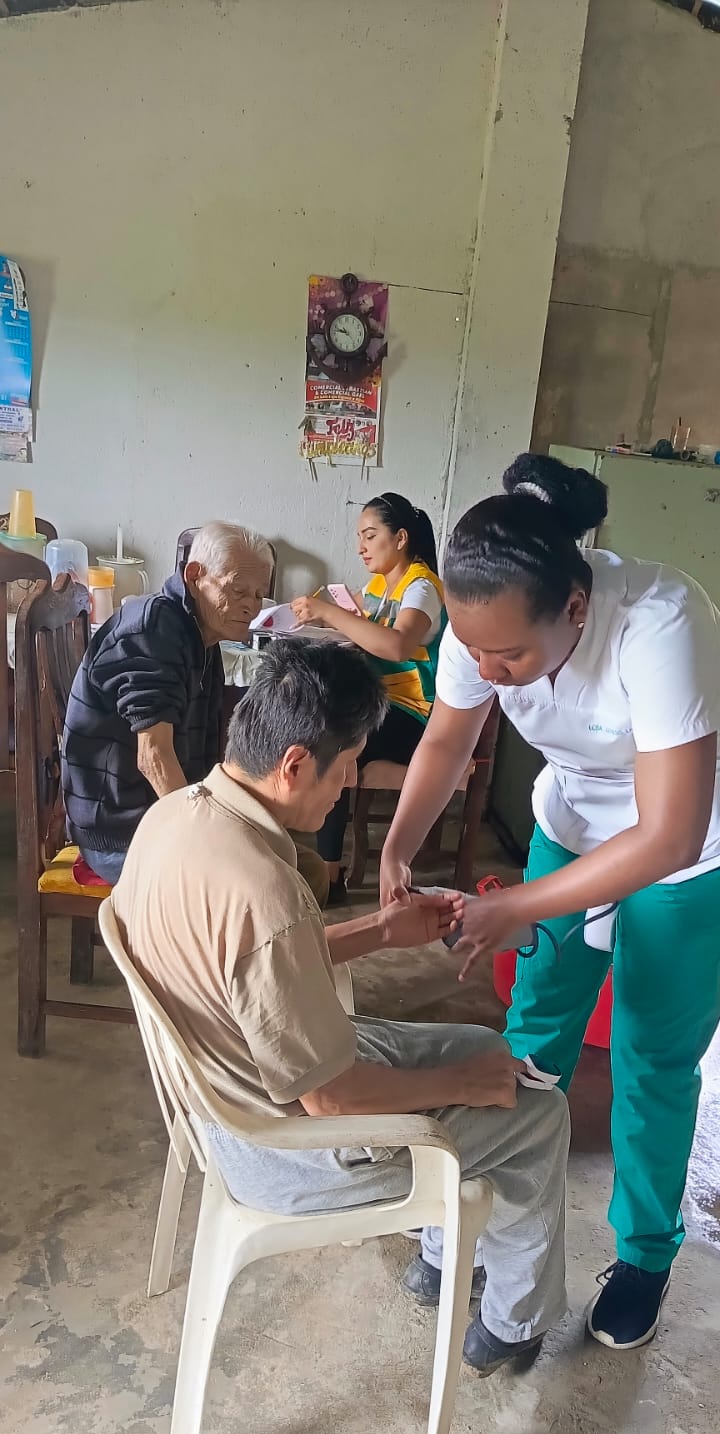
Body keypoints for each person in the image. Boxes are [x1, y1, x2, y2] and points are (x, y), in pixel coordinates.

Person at [112, 638, 570, 1376]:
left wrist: (381, 931)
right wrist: (464, 1086)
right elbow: (331, 1099)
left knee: (480, 1047)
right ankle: (512, 1325)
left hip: (230, 1088)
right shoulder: (265, 890)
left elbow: (252, 962)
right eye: (349, 763)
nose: (351, 783)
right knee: (536, 1110)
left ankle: (441, 1258)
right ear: (295, 764)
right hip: (280, 1148)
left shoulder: (176, 817)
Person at [380, 452, 720, 1352]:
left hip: (689, 855)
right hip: (572, 823)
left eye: (511, 657)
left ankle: (643, 1257)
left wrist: (524, 903)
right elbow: (447, 740)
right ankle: (486, 1212)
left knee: (652, 1057)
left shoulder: (661, 621)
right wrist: (397, 845)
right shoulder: (484, 621)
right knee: (534, 1032)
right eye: (475, 652)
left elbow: (670, 833)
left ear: (575, 608)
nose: (489, 670)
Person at [62, 520, 328, 905]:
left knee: (303, 865)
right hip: (122, 834)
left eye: (259, 595)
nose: (251, 606)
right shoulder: (154, 629)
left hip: (159, 816)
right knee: (277, 883)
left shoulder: (202, 635)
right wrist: (202, 840)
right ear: (195, 575)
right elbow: (153, 756)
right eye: (238, 590)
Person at [290, 493, 446, 900]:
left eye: (370, 535)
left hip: (413, 715)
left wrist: (329, 613)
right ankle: (316, 860)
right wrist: (316, 616)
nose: (361, 546)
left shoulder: (421, 587)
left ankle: (328, 876)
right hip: (379, 706)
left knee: (333, 739)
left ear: (400, 539)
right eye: (360, 536)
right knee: (313, 722)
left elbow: (397, 645)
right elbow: (353, 625)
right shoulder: (379, 584)